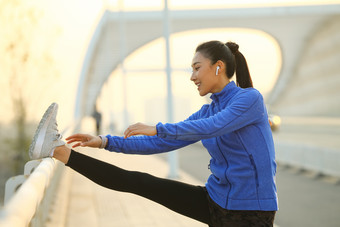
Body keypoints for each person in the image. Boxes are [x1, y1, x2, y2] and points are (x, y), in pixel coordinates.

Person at [29, 41, 278, 227]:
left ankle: (56, 149)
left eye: (197, 68)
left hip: (251, 212)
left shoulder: (249, 100)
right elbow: (160, 142)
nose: (192, 77)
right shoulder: (207, 111)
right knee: (138, 182)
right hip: (216, 200)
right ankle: (58, 150)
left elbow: (212, 127)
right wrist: (104, 141)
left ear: (218, 67)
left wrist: (158, 126)